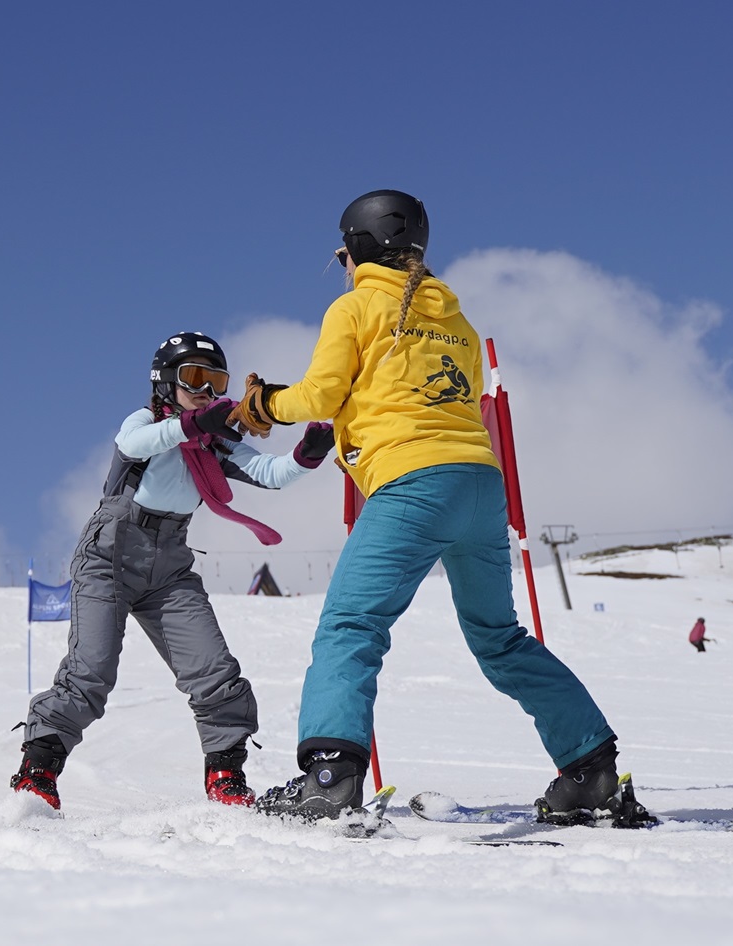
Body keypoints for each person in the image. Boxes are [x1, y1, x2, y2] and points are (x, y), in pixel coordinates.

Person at [229, 190, 624, 825]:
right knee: (499, 637)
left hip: (412, 484)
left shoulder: (354, 306)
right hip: (478, 484)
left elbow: (321, 391)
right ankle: (590, 771)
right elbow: (422, 397)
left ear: (356, 248)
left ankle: (329, 780)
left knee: (352, 627)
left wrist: (265, 404)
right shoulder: (457, 322)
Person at [14, 331, 329, 812]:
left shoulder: (214, 442)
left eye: (215, 379)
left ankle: (225, 775)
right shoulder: (148, 423)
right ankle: (37, 773)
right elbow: (134, 443)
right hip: (108, 561)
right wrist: (194, 421)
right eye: (193, 377)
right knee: (91, 672)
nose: (205, 389)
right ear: (164, 382)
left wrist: (307, 455)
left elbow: (271, 472)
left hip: (170, 569)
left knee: (214, 672)